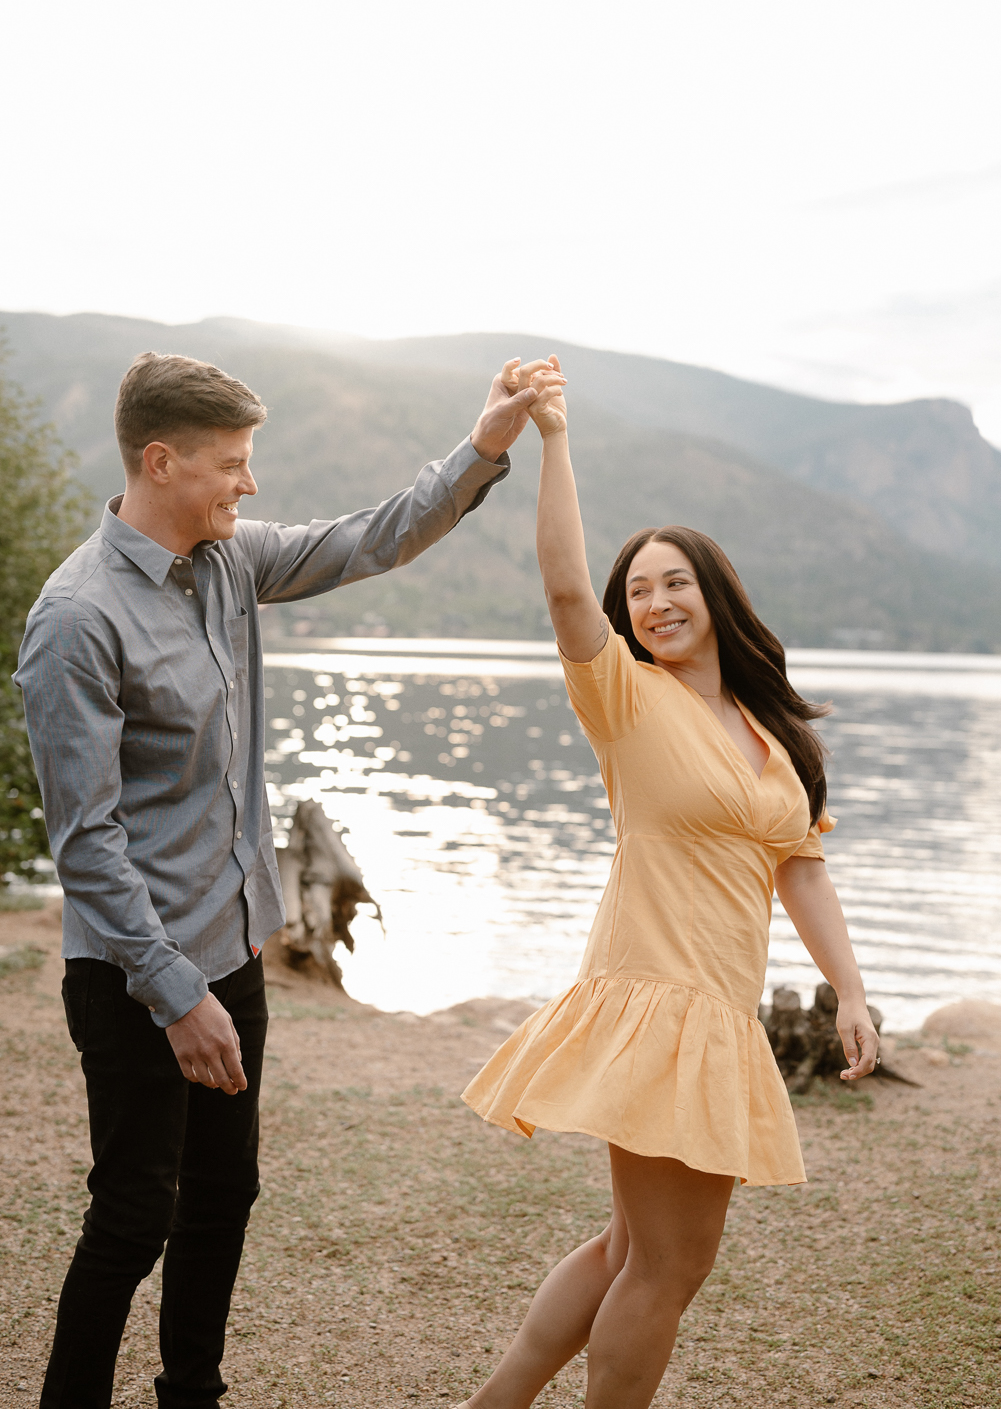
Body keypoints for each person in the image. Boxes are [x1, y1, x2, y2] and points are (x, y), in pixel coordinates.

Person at [14, 347, 567, 1409]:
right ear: (161, 462)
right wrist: (177, 996)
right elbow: (85, 843)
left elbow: (372, 536)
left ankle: (193, 1395)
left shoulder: (228, 564)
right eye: (230, 464)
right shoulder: (75, 619)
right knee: (133, 1215)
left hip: (234, 948)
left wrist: (487, 437)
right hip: (137, 977)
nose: (249, 485)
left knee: (223, 1195)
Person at [460, 357, 879, 1409]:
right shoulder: (625, 702)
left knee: (627, 1250)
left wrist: (852, 991)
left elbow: (799, 864)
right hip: (652, 999)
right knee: (669, 1264)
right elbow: (563, 586)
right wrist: (551, 439)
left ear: (714, 594)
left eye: (672, 583)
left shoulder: (771, 736)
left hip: (715, 1014)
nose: (652, 603)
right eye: (636, 589)